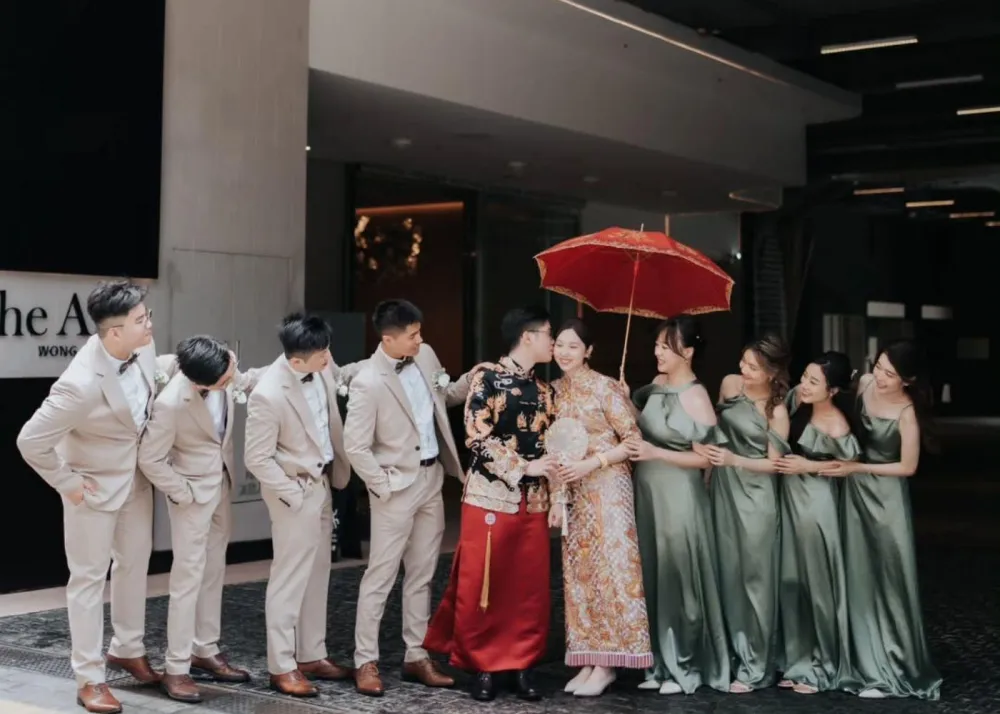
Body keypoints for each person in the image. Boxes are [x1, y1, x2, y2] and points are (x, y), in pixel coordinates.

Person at [17, 280, 175, 714]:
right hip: (91, 489)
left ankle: (127, 648)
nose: (150, 325)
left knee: (133, 566)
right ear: (113, 333)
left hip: (135, 482)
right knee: (87, 581)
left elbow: (150, 382)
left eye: (147, 316)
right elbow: (30, 441)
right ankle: (89, 677)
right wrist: (67, 482)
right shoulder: (79, 385)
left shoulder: (141, 347)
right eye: (141, 321)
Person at [344, 299, 487, 697]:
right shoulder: (368, 381)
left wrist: (471, 379)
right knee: (380, 576)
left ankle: (416, 654)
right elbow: (355, 447)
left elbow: (446, 396)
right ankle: (365, 660)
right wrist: (383, 485)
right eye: (412, 335)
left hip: (431, 479)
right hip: (394, 487)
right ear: (387, 338)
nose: (420, 339)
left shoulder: (425, 355)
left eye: (420, 332)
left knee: (423, 573)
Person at [424, 306, 559, 702]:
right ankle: (482, 664)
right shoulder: (487, 378)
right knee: (484, 581)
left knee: (528, 588)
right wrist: (526, 465)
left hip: (533, 502)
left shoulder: (546, 391)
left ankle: (521, 664)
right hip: (490, 497)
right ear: (528, 336)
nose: (553, 342)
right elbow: (477, 438)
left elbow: (554, 443)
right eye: (549, 334)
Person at [138, 336, 267, 702]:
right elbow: (150, 459)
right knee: (187, 580)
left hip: (221, 485)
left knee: (214, 571)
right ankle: (176, 667)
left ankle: (204, 649)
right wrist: (183, 493)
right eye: (225, 379)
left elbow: (246, 380)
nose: (233, 379)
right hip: (191, 497)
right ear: (199, 383)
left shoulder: (222, 365)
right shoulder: (170, 405)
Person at [243, 313, 361, 698]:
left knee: (318, 573)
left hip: (324, 482)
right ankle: (281, 665)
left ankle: (312, 653)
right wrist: (294, 495)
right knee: (289, 578)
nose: (329, 359)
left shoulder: (322, 367)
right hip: (293, 490)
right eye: (321, 354)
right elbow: (257, 459)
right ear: (296, 362)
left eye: (327, 350)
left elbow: (339, 381)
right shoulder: (267, 394)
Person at [819, 341, 942, 700]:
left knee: (889, 578)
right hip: (854, 491)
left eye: (891, 373)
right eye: (880, 367)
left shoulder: (907, 410)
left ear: (909, 379)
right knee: (857, 575)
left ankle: (894, 666)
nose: (881, 377)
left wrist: (858, 467)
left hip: (887, 500)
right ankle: (861, 661)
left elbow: (908, 467)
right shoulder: (865, 383)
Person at [549, 319, 652, 697]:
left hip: (608, 488)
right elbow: (555, 449)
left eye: (573, 346)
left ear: (588, 351)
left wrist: (593, 463)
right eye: (560, 344)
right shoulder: (554, 392)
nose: (564, 352)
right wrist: (557, 496)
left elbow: (632, 441)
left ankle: (608, 663)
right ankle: (589, 657)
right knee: (580, 575)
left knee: (610, 570)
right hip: (574, 493)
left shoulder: (606, 387)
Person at [627, 315, 730, 695]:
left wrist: (657, 453)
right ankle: (657, 662)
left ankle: (683, 662)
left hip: (680, 496)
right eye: (655, 345)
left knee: (679, 576)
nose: (656, 352)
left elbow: (707, 459)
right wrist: (626, 401)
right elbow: (647, 425)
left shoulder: (697, 396)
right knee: (653, 574)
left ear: (687, 352)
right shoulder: (655, 386)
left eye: (665, 347)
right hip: (649, 493)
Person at [702, 335, 790, 692]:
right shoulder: (728, 385)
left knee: (756, 579)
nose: (743, 370)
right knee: (727, 573)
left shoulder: (777, 410)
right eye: (743, 362)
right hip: (722, 488)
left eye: (753, 367)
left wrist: (734, 460)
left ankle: (757, 665)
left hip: (756, 497)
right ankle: (730, 655)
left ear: (772, 372)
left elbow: (775, 464)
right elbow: (712, 432)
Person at [773, 352, 857, 694]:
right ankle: (797, 663)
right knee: (791, 582)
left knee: (818, 586)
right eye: (804, 377)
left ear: (833, 390)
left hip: (816, 505)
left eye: (813, 382)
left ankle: (823, 667)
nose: (804, 386)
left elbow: (850, 466)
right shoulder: (798, 406)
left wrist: (807, 467)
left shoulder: (837, 424)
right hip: (791, 502)